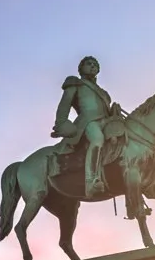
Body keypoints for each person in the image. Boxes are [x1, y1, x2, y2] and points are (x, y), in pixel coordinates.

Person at [51, 55, 123, 200]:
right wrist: (62, 123)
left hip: (105, 122)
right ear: (81, 68)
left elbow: (106, 112)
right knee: (97, 140)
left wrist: (114, 111)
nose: (92, 66)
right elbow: (64, 105)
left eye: (95, 64)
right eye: (88, 63)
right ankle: (91, 182)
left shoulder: (104, 93)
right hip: (88, 121)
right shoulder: (75, 83)